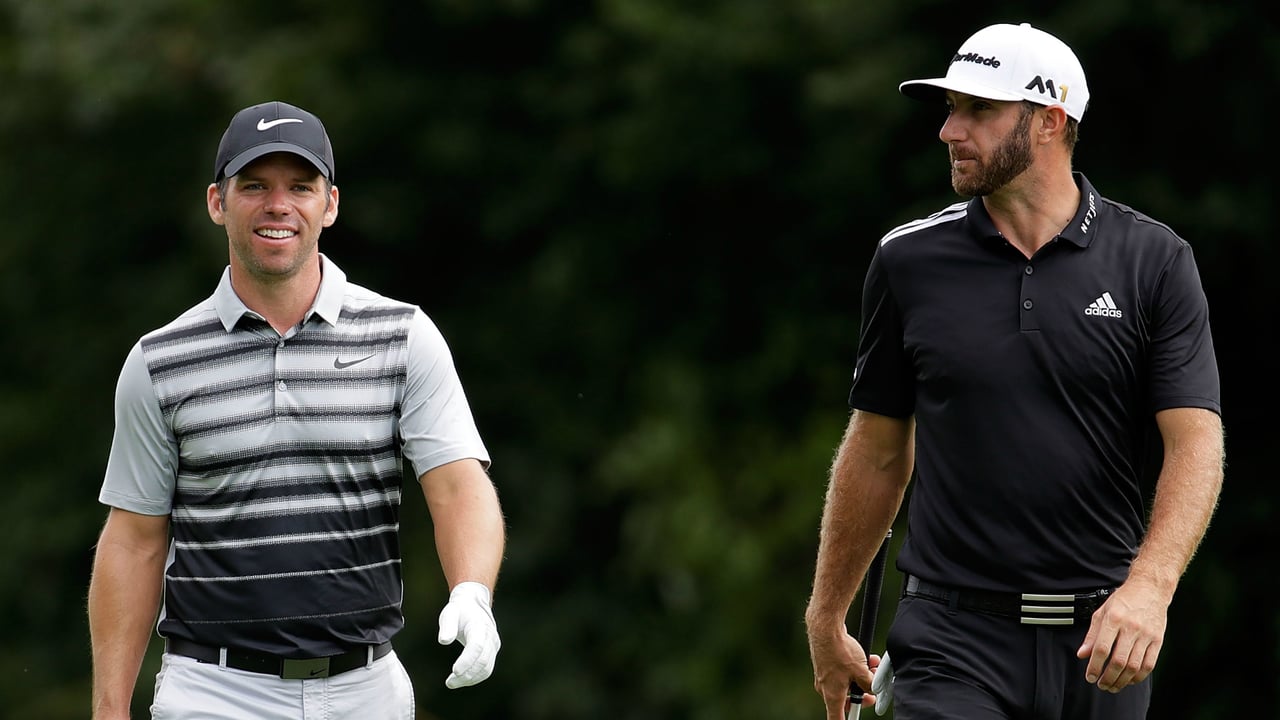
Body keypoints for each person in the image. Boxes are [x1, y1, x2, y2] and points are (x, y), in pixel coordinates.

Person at [804, 22, 1224, 720]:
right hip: (950, 639)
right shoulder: (909, 262)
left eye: (978, 110)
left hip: (1102, 645)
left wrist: (1151, 587)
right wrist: (826, 617)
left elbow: (1195, 443)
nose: (949, 130)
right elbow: (878, 453)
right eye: (949, 108)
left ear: (1051, 121)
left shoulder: (1156, 261)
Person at [87, 100, 506, 720]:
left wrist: (472, 592)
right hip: (214, 693)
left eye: (300, 187)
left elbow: (457, 485)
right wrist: (109, 709)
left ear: (329, 204)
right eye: (254, 186)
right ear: (217, 203)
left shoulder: (403, 335)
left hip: (366, 691)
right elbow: (135, 542)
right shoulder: (160, 361)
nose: (277, 205)